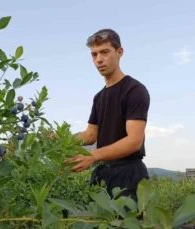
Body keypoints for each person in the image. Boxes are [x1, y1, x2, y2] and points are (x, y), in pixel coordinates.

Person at [62, 28, 151, 204]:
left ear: (119, 52)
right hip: (102, 174)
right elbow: (90, 135)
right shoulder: (99, 97)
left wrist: (93, 156)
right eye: (94, 55)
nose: (99, 60)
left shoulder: (134, 90)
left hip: (128, 174)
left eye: (104, 52)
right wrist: (61, 139)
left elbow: (134, 141)